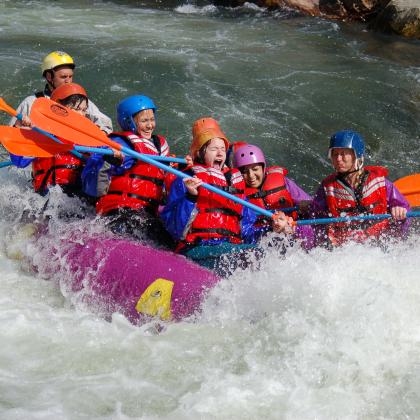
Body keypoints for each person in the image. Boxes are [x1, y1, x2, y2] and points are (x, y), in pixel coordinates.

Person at [160, 121, 289, 274]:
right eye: (214, 149)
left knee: (275, 249)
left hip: (229, 246)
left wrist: (273, 230)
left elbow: (247, 232)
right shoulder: (186, 180)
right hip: (198, 248)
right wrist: (190, 197)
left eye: (223, 149)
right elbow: (174, 229)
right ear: (200, 152)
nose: (220, 153)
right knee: (250, 255)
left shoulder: (235, 184)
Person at [82, 94, 175, 248]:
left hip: (147, 212)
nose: (150, 125)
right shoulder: (120, 144)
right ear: (129, 121)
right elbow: (93, 184)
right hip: (121, 209)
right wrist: (110, 160)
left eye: (152, 120)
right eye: (144, 121)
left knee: (167, 241)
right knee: (134, 227)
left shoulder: (160, 146)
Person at [309, 130, 410, 247]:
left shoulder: (380, 183)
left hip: (380, 243)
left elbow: (405, 208)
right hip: (344, 248)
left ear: (356, 155)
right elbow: (315, 218)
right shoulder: (327, 187)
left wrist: (401, 212)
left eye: (343, 154)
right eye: (335, 154)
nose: (338, 159)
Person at [10, 83, 93, 199]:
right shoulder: (44, 135)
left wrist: (115, 155)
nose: (82, 114)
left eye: (84, 110)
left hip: (78, 197)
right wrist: (19, 130)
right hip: (47, 197)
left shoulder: (89, 138)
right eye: (77, 109)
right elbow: (19, 161)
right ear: (59, 109)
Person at [9, 51, 112, 133]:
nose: (68, 81)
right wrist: (19, 126)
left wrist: (102, 133)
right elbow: (11, 132)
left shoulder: (79, 102)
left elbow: (105, 123)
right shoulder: (31, 102)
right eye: (63, 77)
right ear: (49, 76)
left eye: (70, 76)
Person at [233, 144, 312, 245]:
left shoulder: (283, 182)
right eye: (245, 172)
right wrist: (272, 230)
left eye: (255, 169)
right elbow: (245, 234)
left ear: (263, 168)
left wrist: (305, 205)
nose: (251, 176)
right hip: (263, 240)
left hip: (292, 230)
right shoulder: (239, 196)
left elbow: (312, 208)